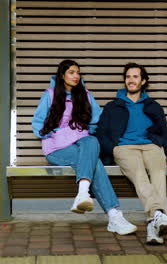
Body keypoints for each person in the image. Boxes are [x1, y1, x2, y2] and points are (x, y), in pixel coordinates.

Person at [32, 59, 137, 235]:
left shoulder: (85, 95)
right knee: (94, 163)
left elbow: (97, 120)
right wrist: (58, 133)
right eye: (72, 72)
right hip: (57, 148)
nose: (76, 76)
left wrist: (80, 129)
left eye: (78, 73)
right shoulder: (50, 95)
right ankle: (114, 216)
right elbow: (37, 124)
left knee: (92, 141)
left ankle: (83, 194)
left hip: (82, 142)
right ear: (62, 75)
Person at [95, 62, 167, 244]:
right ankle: (158, 215)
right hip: (124, 148)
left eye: (135, 77)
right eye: (128, 76)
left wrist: (163, 146)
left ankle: (154, 225)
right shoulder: (113, 106)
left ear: (143, 81)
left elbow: (165, 131)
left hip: (151, 146)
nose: (131, 80)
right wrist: (112, 148)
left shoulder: (153, 106)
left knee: (159, 174)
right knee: (139, 175)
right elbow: (101, 133)